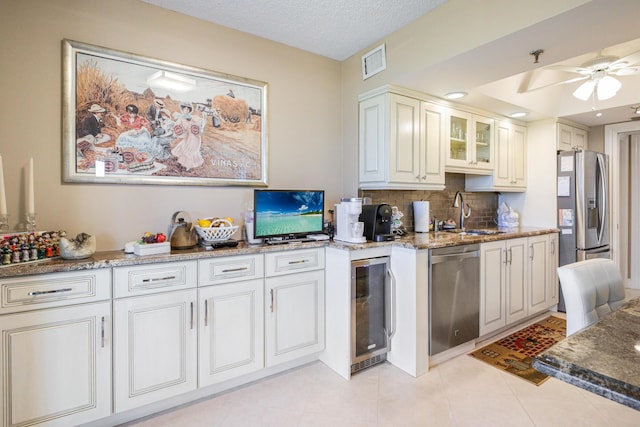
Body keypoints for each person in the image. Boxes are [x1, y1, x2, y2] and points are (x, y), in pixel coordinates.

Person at [171, 101, 205, 170]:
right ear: (182, 109)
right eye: (185, 109)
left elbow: (200, 123)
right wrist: (180, 131)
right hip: (188, 136)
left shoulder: (193, 117)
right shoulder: (180, 118)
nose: (186, 110)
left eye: (188, 109)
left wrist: (198, 127)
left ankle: (189, 165)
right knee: (186, 148)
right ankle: (186, 164)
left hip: (195, 136)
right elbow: (177, 127)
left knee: (192, 149)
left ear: (190, 110)